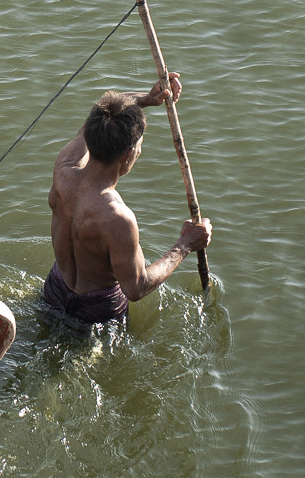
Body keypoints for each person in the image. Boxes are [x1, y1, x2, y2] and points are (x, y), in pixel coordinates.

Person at [42, 74, 212, 325]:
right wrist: (185, 244)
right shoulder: (116, 217)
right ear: (129, 153)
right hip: (97, 311)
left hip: (54, 289)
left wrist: (145, 99)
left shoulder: (64, 167)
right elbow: (136, 288)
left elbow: (99, 111)